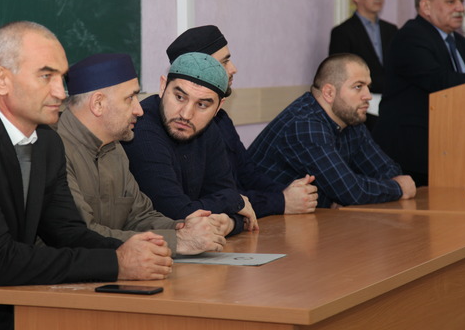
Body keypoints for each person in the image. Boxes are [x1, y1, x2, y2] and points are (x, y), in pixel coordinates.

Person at [0, 21, 172, 330]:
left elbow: (68, 233)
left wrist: (134, 251)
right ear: (1, 80)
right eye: (46, 76)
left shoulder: (47, 142)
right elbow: (0, 260)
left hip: (2, 307)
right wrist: (118, 263)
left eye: (61, 78)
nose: (60, 92)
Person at [57, 53, 232, 256]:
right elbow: (81, 235)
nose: (139, 110)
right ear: (98, 104)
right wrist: (178, 241)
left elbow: (139, 216)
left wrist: (184, 227)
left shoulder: (114, 149)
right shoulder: (54, 152)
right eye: (130, 98)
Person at [165, 25, 318, 216]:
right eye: (224, 62)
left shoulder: (221, 119)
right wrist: (282, 201)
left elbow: (248, 174)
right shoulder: (181, 128)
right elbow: (218, 198)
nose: (233, 69)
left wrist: (291, 193)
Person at [248, 53, 416, 208]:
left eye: (368, 86)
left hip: (305, 219)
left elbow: (388, 172)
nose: (368, 96)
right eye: (358, 86)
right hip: (262, 221)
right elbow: (351, 192)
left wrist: (344, 195)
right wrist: (398, 188)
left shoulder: (350, 119)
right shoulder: (304, 125)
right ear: (329, 92)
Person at [122, 52, 259, 235]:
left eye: (202, 105)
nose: (186, 115)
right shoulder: (142, 129)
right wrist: (232, 200)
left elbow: (234, 206)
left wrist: (231, 223)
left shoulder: (208, 129)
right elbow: (176, 214)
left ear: (218, 107)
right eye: (180, 97)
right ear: (163, 87)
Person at [373, 0, 465, 186]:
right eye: (451, 1)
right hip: (412, 151)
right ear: (426, 6)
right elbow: (439, 81)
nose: (461, 8)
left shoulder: (459, 42)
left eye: (462, 1)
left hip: (447, 145)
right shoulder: (410, 37)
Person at [329, 0, 398, 131]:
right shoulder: (342, 32)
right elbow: (341, 76)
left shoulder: (392, 30)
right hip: (360, 112)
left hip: (392, 107)